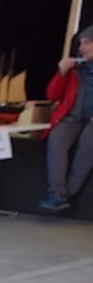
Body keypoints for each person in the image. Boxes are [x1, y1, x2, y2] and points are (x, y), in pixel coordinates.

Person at [39, 26, 93, 213]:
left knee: (88, 145)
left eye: (86, 43)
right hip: (72, 117)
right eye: (80, 43)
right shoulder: (76, 69)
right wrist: (61, 72)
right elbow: (52, 95)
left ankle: (68, 193)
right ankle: (57, 192)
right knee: (57, 138)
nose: (81, 48)